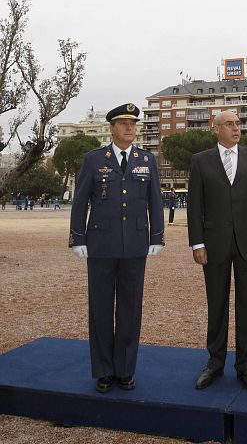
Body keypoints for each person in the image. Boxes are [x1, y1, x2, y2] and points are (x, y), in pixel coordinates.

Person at [69, 103, 164, 393]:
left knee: (130, 309)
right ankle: (103, 371)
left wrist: (157, 236)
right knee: (100, 309)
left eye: (133, 124)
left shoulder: (146, 160)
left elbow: (155, 201)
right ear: (112, 128)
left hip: (135, 245)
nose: (129, 128)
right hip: (100, 244)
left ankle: (124, 370)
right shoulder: (94, 159)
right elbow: (81, 200)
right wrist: (78, 237)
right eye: (123, 123)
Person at [187, 110, 247, 392]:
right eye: (230, 124)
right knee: (217, 304)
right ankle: (214, 362)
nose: (236, 128)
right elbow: (195, 205)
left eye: (238, 123)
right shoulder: (200, 161)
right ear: (216, 129)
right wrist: (197, 243)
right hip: (214, 244)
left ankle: (245, 365)